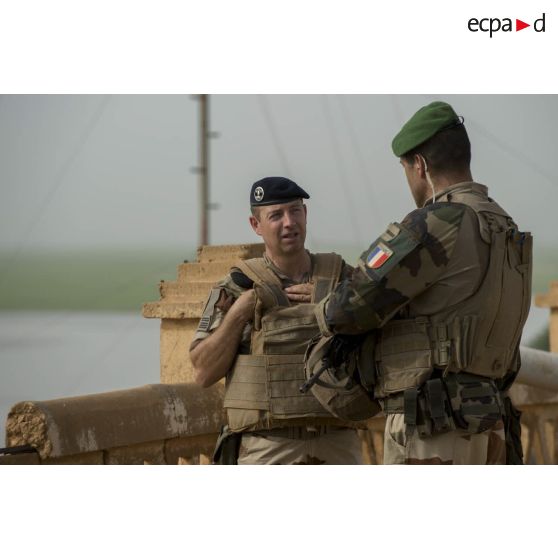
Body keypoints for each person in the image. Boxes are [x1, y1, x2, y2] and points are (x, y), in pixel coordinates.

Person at [314, 101, 532, 465]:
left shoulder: (436, 222)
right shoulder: (504, 226)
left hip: (436, 426)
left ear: (421, 165)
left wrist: (320, 299)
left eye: (405, 167)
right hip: (490, 421)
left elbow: (346, 309)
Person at [190, 176, 364, 464]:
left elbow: (385, 330)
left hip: (338, 440)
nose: (289, 222)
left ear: (305, 215)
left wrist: (334, 304)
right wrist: (240, 312)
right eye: (276, 215)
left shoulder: (341, 277)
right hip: (268, 447)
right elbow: (203, 372)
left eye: (295, 211)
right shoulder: (237, 285)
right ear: (255, 225)